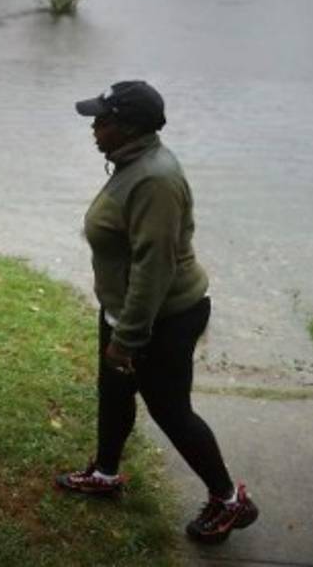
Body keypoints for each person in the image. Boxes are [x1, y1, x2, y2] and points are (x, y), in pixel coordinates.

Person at [55, 80, 259, 545]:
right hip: (125, 311)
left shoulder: (155, 180)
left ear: (126, 128)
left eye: (101, 120)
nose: (93, 126)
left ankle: (229, 500)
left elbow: (154, 267)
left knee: (170, 410)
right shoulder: (133, 162)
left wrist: (128, 339)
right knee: (113, 392)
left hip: (161, 318)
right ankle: (105, 474)